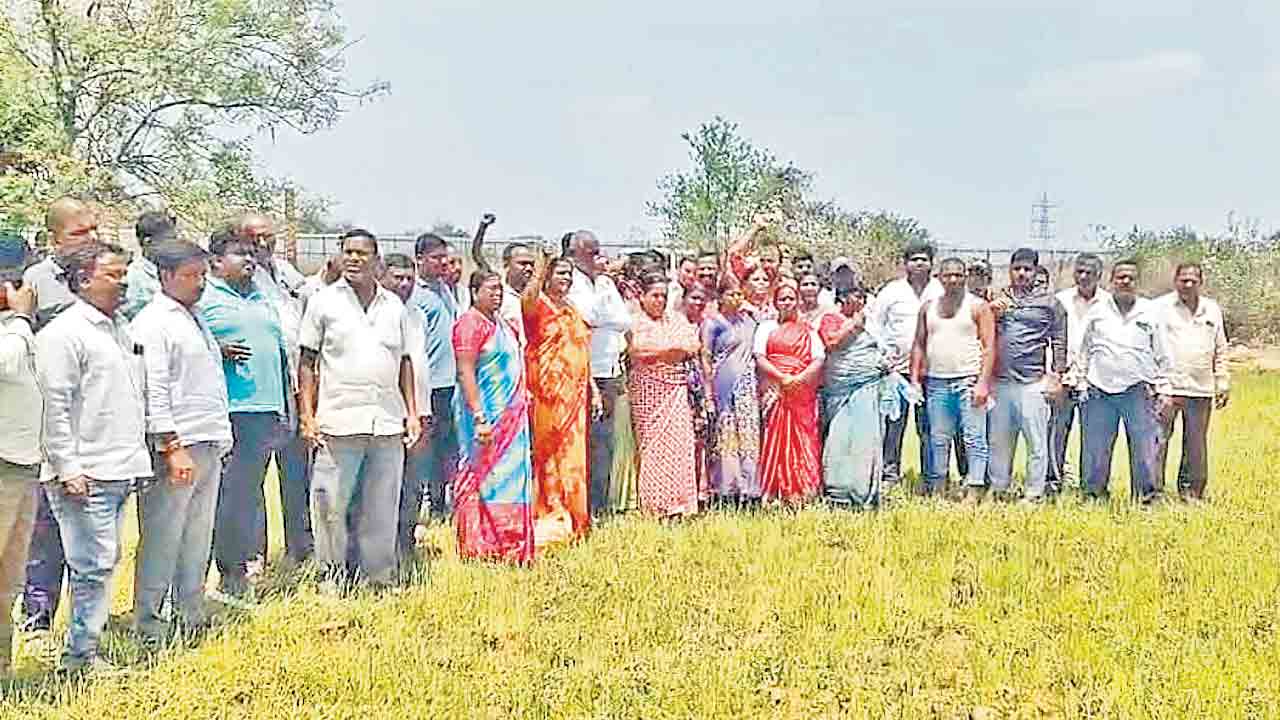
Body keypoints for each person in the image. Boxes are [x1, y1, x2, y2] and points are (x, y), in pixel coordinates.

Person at [37, 241, 150, 673]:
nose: (124, 284)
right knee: (92, 566)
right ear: (84, 280)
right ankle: (80, 658)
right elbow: (54, 406)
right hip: (85, 472)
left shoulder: (120, 328)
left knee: (103, 562)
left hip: (121, 466)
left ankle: (86, 647)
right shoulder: (63, 335)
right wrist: (67, 468)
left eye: (125, 275)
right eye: (114, 275)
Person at [298, 230, 421, 590]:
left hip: (386, 421)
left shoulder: (393, 307)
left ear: (376, 260)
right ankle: (331, 579)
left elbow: (406, 362)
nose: (354, 259)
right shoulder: (323, 302)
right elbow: (307, 361)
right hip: (337, 421)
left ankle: (378, 578)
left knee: (382, 506)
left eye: (361, 253)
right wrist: (307, 414)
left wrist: (412, 413)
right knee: (329, 504)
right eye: (348, 252)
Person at [129, 241, 232, 642]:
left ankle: (189, 611)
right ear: (165, 276)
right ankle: (150, 623)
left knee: (196, 533)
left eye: (203, 275)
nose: (199, 283)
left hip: (208, 439)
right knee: (163, 535)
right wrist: (171, 446)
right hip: (177, 444)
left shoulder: (195, 317)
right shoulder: (154, 323)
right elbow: (154, 389)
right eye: (190, 276)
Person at [20, 196, 98, 646]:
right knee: (45, 528)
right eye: (78, 233)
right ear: (55, 238)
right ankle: (37, 619)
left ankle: (86, 623)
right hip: (51, 424)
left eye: (93, 230)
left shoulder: (108, 278)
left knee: (92, 530)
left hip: (99, 424)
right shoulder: (38, 282)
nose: (89, 239)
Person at [197, 228, 290, 604]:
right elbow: (184, 344)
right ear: (216, 261)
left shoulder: (262, 295)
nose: (249, 260)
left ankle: (234, 572)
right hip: (229, 412)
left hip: (263, 411)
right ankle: (208, 577)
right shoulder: (204, 297)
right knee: (223, 498)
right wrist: (215, 348)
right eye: (240, 254)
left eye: (252, 254)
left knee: (246, 497)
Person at [236, 213, 312, 565]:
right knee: (253, 476)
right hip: (260, 389)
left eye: (269, 237)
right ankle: (254, 554)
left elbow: (308, 293)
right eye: (256, 237)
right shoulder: (241, 278)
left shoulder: (283, 271)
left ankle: (301, 545)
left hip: (296, 384)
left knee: (297, 470)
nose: (264, 244)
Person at [451, 269, 534, 562]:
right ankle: (481, 544)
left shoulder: (504, 324)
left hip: (512, 417)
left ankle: (511, 543)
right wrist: (480, 417)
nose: (497, 294)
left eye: (500, 290)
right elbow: (465, 371)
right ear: (474, 293)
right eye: (490, 289)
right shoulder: (469, 325)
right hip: (484, 417)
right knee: (482, 477)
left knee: (511, 478)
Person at [1076, 260, 1173, 504]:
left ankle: (1146, 499)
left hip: (1138, 390)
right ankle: (1093, 496)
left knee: (1144, 449)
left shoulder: (1151, 312)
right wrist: (1080, 381)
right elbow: (1083, 350)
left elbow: (1163, 354)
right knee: (1095, 449)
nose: (1125, 281)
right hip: (1099, 389)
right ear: (1112, 280)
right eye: (1120, 277)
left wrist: (1164, 388)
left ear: (1137, 282)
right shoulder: (1097, 311)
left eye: (1130, 277)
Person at [523, 251, 597, 548]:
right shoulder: (537, 305)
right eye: (559, 273)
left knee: (575, 458)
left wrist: (591, 387)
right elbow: (527, 298)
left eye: (569, 274)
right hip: (548, 396)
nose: (565, 279)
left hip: (575, 397)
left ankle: (575, 515)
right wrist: (540, 267)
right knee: (550, 457)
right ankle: (552, 513)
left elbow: (581, 348)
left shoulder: (572, 308)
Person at [984, 248, 1067, 504]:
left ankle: (1034, 494)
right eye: (1017, 269)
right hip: (1001, 382)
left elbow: (1060, 340)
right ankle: (998, 489)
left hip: (1033, 382)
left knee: (1037, 443)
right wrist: (991, 313)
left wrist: (1056, 376)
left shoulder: (1050, 303)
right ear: (1010, 271)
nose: (1022, 273)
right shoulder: (998, 299)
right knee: (999, 441)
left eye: (1027, 269)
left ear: (1036, 272)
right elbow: (982, 335)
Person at [910, 258, 995, 498]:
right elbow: (918, 343)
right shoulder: (928, 307)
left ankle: (975, 488)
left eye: (958, 275)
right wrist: (915, 380)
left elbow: (989, 347)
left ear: (965, 277)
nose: (953, 280)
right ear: (940, 277)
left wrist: (983, 383)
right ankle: (939, 486)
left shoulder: (978, 307)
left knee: (973, 437)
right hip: (936, 382)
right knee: (938, 438)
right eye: (948, 275)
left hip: (968, 380)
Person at [566, 230, 632, 516]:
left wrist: (602, 318)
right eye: (589, 252)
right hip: (582, 372)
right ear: (575, 253)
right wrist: (602, 317)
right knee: (584, 441)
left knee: (605, 441)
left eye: (597, 250)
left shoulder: (605, 282)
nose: (596, 257)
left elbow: (622, 320)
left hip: (610, 369)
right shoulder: (571, 282)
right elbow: (585, 316)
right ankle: (583, 505)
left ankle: (602, 503)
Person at [0, 235, 42, 677]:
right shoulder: (16, 328)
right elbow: (6, 364)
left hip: (21, 463)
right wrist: (21, 319)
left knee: (8, 581)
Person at [1153, 261, 1228, 501]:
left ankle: (1192, 493)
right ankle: (1152, 493)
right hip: (1168, 388)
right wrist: (1154, 383)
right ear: (1175, 281)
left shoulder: (1212, 309)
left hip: (1201, 388)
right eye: (1183, 280)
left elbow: (1220, 347)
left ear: (1200, 283)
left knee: (1196, 445)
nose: (1187, 284)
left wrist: (1222, 379)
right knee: (1158, 441)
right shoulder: (1159, 307)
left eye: (1193, 280)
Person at [628, 274, 701, 518]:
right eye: (654, 295)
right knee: (652, 446)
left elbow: (692, 345)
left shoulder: (676, 319)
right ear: (642, 297)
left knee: (680, 445)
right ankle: (655, 504)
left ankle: (680, 503)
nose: (659, 301)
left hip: (676, 389)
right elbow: (637, 350)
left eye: (663, 296)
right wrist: (669, 350)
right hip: (648, 389)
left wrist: (665, 353)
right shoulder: (636, 320)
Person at [873, 240, 944, 489]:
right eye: (914, 259)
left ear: (931, 263)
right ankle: (889, 476)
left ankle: (930, 478)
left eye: (924, 258)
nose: (919, 263)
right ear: (905, 264)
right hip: (897, 371)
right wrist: (883, 358)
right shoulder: (891, 292)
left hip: (932, 371)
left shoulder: (941, 290)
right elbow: (876, 325)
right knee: (894, 425)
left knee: (929, 427)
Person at [378, 254, 433, 562]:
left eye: (409, 278)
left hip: (419, 412)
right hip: (388, 413)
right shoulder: (379, 311)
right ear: (382, 276)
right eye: (397, 278)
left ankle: (405, 542)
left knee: (412, 482)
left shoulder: (415, 313)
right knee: (385, 484)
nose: (404, 284)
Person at [819, 286, 893, 509]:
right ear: (842, 299)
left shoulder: (872, 323)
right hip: (841, 388)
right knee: (840, 437)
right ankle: (838, 492)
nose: (860, 300)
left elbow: (882, 349)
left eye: (863, 297)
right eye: (855, 296)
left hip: (868, 386)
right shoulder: (831, 318)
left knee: (865, 438)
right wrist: (852, 325)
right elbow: (831, 344)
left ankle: (862, 492)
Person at [754, 280, 825, 504]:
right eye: (782, 299)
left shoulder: (809, 331)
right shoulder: (766, 328)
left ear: (797, 301)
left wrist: (799, 379)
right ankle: (775, 491)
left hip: (801, 391)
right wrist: (782, 377)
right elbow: (760, 357)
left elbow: (818, 358)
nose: (787, 303)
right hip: (775, 389)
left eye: (791, 298)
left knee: (803, 438)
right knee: (774, 438)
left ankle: (802, 491)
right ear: (775, 302)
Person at [1049, 253, 1111, 494]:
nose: (1083, 277)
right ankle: (1052, 484)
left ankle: (1091, 489)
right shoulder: (1060, 300)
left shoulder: (1109, 303)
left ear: (1099, 275)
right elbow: (1051, 338)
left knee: (1094, 437)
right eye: (1080, 272)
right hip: (1062, 378)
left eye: (1089, 273)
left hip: (1094, 380)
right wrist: (1054, 373)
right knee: (1055, 433)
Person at [411, 233, 462, 517]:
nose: (443, 263)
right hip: (429, 384)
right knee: (426, 451)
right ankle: (428, 504)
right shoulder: (416, 295)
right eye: (436, 258)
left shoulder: (445, 289)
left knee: (448, 447)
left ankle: (446, 504)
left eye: (445, 257)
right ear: (420, 260)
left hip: (451, 382)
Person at [702, 273, 763, 504]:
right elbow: (706, 357)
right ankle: (728, 490)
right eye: (731, 294)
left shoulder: (749, 321)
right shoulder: (713, 323)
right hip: (723, 383)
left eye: (739, 293)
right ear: (720, 296)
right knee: (726, 435)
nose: (736, 298)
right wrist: (708, 392)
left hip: (747, 384)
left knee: (748, 433)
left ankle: (750, 489)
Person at [680, 282, 715, 505]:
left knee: (700, 441)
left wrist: (708, 394)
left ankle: (700, 490)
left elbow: (705, 359)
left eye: (702, 299)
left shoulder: (705, 325)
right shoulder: (675, 323)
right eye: (693, 298)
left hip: (697, 387)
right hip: (676, 385)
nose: (698, 303)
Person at [120, 210, 177, 320]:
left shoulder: (175, 269)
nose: (173, 245)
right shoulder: (134, 277)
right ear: (147, 242)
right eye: (168, 240)